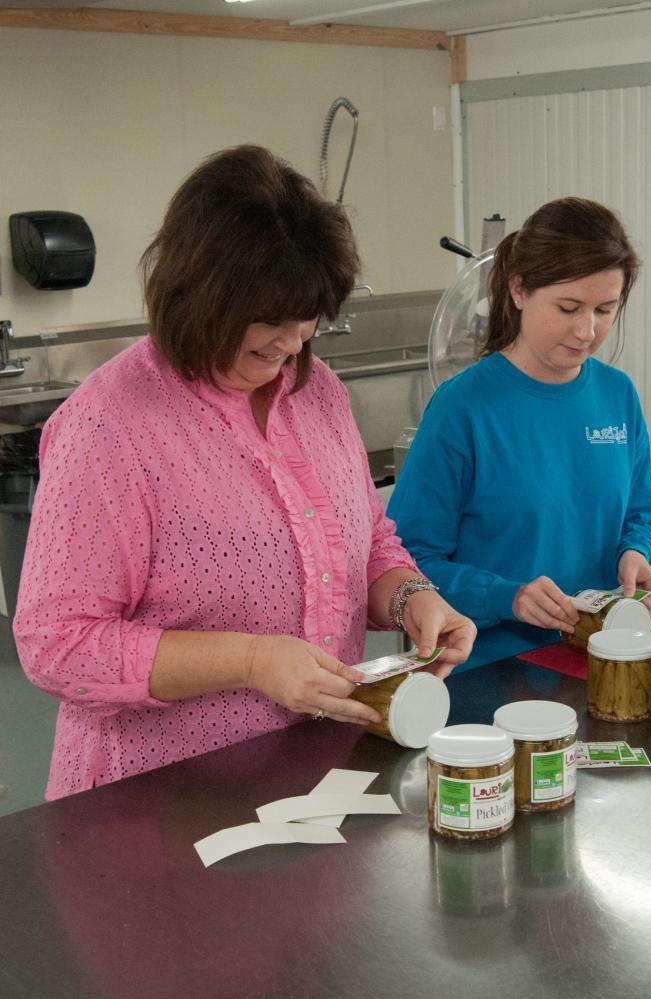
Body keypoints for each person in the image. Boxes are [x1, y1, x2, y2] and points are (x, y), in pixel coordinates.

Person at [14, 145, 476, 800]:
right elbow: (57, 644)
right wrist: (253, 660)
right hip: (159, 799)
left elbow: (366, 543)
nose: (292, 342)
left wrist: (412, 598)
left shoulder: (318, 394)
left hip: (312, 777)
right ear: (198, 295)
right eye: (269, 321)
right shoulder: (110, 429)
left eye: (308, 319)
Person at [388, 196, 651, 670]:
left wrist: (638, 553)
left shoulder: (617, 395)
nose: (586, 330)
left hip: (601, 665)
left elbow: (638, 516)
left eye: (605, 310)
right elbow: (406, 564)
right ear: (518, 291)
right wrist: (505, 597)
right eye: (569, 307)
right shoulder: (463, 408)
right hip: (492, 677)